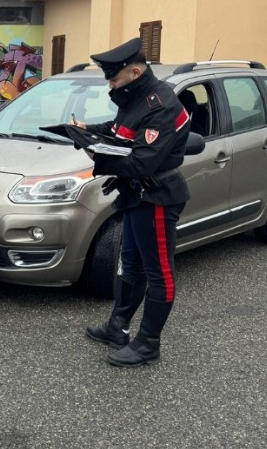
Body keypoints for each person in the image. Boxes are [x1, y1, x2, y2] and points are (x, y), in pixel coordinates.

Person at [73, 38, 191, 367]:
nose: (110, 85)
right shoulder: (134, 97)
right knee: (130, 264)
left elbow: (142, 163)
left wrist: (94, 154)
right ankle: (117, 327)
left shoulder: (160, 105)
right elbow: (119, 131)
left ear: (135, 71)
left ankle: (148, 344)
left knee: (159, 273)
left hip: (156, 196)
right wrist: (83, 131)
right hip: (136, 194)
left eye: (114, 78)